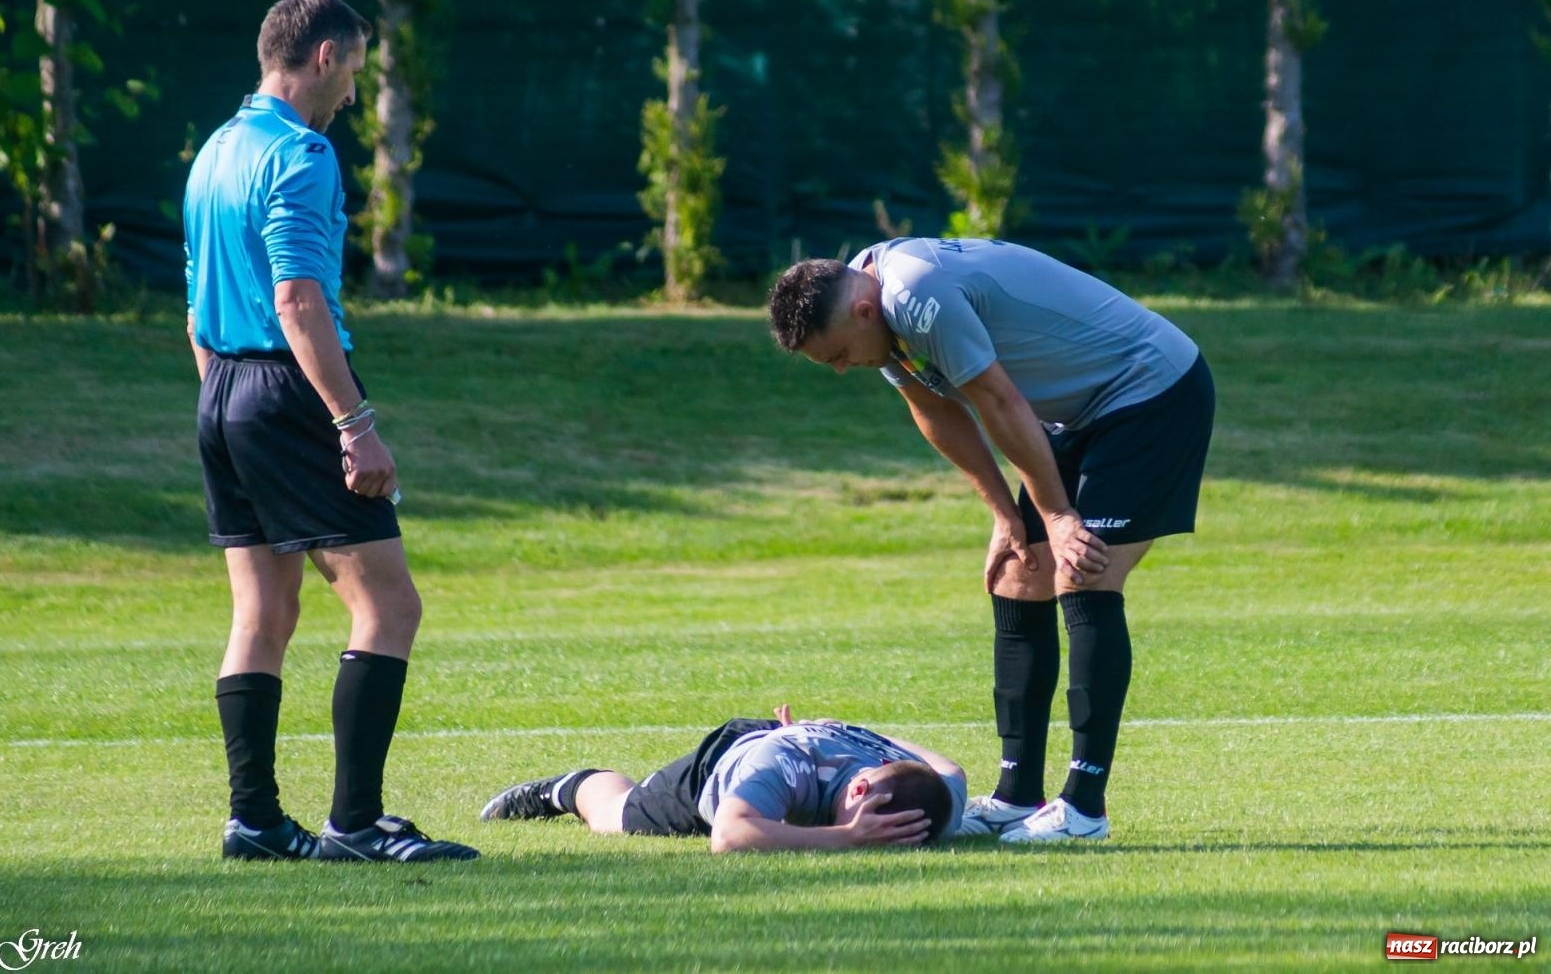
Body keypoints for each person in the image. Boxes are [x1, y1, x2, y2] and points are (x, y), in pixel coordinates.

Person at [766, 237, 1215, 843]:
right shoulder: (871, 303)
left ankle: (1084, 809)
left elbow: (996, 399)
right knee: (1018, 571)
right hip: (1078, 413)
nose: (845, 368)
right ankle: (1017, 794)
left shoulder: (916, 293)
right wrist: (1007, 515)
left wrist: (1058, 518)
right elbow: (937, 412)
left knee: (1082, 570)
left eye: (841, 354)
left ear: (863, 312)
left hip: (1151, 389)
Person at [184, 0, 474, 862]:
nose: (352, 89)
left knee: (262, 609)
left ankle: (257, 824)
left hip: (221, 388)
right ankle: (356, 825)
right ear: (321, 57)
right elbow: (298, 298)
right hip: (287, 387)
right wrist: (352, 422)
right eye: (352, 67)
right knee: (388, 604)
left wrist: (226, 408)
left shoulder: (214, 152)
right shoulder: (301, 156)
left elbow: (198, 306)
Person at [479, 705, 966, 851]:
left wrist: (858, 734)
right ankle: (565, 787)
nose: (877, 839)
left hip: (816, 740)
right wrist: (846, 835)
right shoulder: (780, 767)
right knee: (617, 815)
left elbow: (951, 771)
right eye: (879, 828)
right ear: (859, 788)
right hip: (736, 757)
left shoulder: (935, 801)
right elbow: (729, 835)